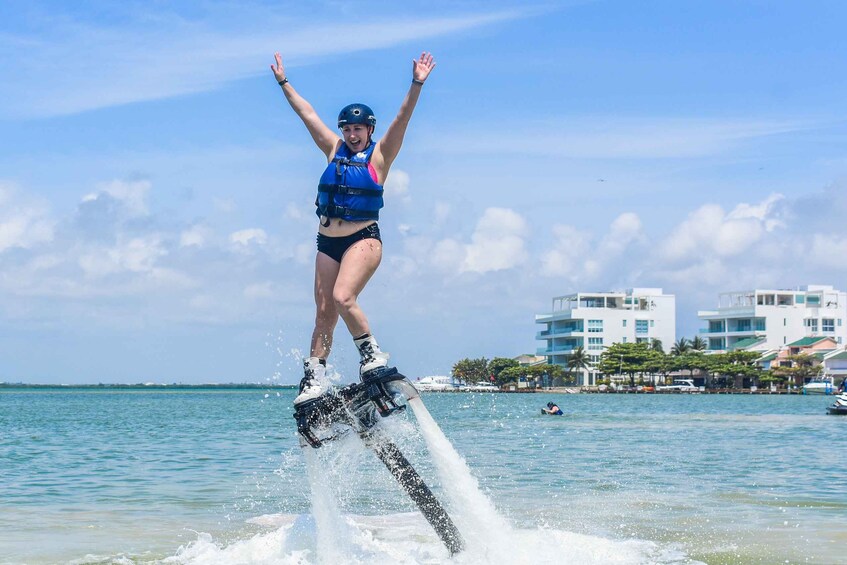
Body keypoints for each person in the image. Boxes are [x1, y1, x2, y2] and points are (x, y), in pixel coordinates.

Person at [271, 51, 436, 406]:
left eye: (357, 129)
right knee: (324, 314)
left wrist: (417, 83)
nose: (351, 134)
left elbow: (403, 118)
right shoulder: (333, 149)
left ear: (369, 130)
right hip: (327, 243)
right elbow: (307, 114)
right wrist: (284, 83)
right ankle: (315, 377)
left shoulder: (380, 156)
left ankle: (371, 355)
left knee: (343, 297)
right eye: (347, 128)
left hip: (363, 240)